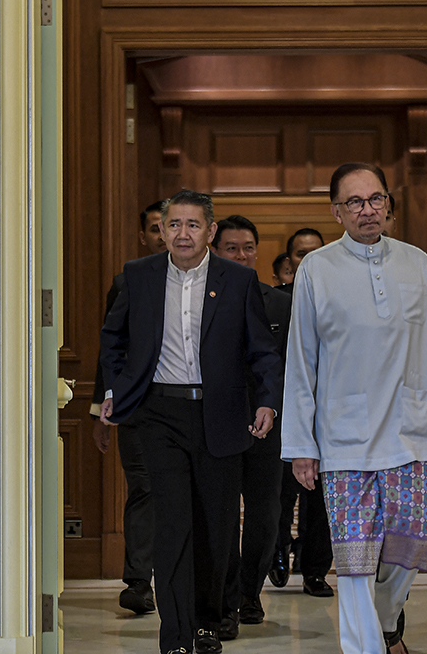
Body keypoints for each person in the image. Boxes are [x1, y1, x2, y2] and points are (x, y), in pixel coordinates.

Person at [281, 163, 427, 654]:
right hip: (342, 437)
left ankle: (387, 621)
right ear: (336, 212)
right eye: (354, 202)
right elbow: (300, 363)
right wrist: (302, 445)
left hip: (407, 432)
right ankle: (364, 647)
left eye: (375, 200)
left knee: (409, 549)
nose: (367, 210)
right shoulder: (316, 270)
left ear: (389, 204)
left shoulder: (417, 263)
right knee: (353, 560)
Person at [99, 190, 284, 654]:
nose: (183, 233)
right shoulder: (136, 277)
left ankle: (208, 622)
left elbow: (261, 350)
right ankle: (176, 635)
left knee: (216, 527)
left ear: (210, 231)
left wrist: (267, 401)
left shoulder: (238, 280)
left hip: (220, 415)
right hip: (159, 414)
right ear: (161, 230)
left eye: (193, 225)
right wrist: (113, 392)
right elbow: (113, 339)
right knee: (174, 525)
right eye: (174, 224)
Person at [209, 215, 291, 639]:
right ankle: (225, 598)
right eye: (231, 248)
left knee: (265, 514)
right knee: (221, 516)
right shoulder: (202, 297)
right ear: (215, 249)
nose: (241, 255)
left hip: (268, 424)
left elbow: (288, 368)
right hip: (217, 422)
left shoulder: (278, 302)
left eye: (247, 248)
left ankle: (249, 593)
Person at [90, 200, 166, 615]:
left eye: (169, 226)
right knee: (144, 486)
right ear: (144, 236)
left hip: (189, 406)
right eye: (155, 228)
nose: (163, 234)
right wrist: (102, 409)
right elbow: (110, 349)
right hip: (137, 407)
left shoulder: (212, 280)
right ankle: (139, 582)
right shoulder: (127, 283)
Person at [270, 228, 335, 599]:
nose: (307, 259)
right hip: (285, 411)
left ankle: (314, 570)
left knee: (321, 501)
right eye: (299, 253)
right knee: (281, 495)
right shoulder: (275, 301)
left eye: (314, 252)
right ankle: (277, 549)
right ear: (287, 262)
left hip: (329, 413)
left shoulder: (337, 296)